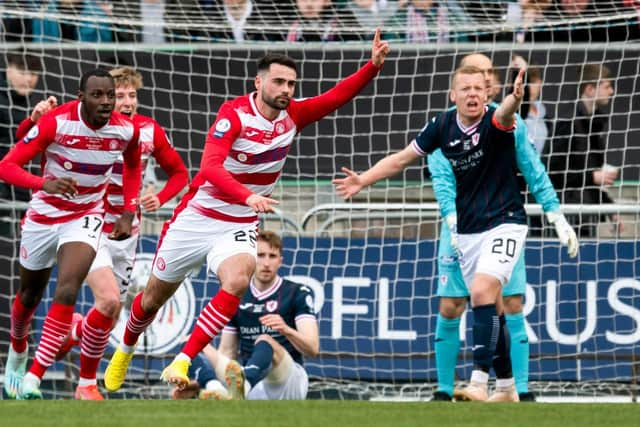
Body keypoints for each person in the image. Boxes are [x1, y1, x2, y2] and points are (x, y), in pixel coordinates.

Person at [103, 28, 390, 393]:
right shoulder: (234, 114)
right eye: (279, 82)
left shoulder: (294, 116)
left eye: (292, 83)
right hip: (199, 216)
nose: (287, 89)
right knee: (152, 299)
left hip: (238, 222)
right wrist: (246, 194)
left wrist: (372, 66)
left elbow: (336, 97)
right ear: (259, 81)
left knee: (239, 278)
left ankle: (184, 357)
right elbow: (208, 168)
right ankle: (124, 350)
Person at [334, 63, 537, 402]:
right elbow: (401, 160)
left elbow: (505, 114)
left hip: (507, 221)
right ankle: (506, 387)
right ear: (452, 95)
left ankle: (477, 382)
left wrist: (515, 100)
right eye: (466, 88)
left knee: (482, 290)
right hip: (470, 229)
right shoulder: (441, 126)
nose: (473, 93)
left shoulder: (496, 120)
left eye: (479, 88)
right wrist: (363, 180)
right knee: (491, 306)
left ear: (487, 93)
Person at [424, 53, 578, 402]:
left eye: (487, 73)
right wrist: (451, 216)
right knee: (451, 305)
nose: (483, 79)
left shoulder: (506, 121)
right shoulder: (444, 125)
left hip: (500, 223)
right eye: (474, 74)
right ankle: (444, 391)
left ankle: (517, 388)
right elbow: (441, 174)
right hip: (459, 226)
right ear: (458, 85)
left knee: (509, 301)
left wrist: (555, 213)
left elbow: (532, 168)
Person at [45, 67, 189, 400]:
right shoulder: (88, 126)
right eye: (118, 95)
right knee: (108, 299)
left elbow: (180, 173)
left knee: (109, 314)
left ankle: (77, 330)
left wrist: (161, 197)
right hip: (89, 225)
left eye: (130, 95)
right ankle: (86, 385)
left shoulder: (148, 131)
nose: (125, 102)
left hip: (128, 233)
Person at [0, 68, 141, 400]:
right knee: (29, 296)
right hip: (44, 215)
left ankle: (35, 376)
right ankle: (18, 348)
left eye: (110, 95)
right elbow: (6, 165)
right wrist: (43, 184)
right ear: (81, 97)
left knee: (68, 288)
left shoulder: (125, 131)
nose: (106, 102)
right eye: (98, 95)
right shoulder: (57, 122)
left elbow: (133, 165)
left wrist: (128, 210)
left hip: (86, 215)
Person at [172, 230, 319, 400]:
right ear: (250, 258)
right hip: (250, 382)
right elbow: (227, 352)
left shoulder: (297, 293)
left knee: (265, 340)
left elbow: (312, 348)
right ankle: (213, 387)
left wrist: (286, 330)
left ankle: (243, 386)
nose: (266, 263)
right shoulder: (237, 295)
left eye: (272, 256)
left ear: (280, 261)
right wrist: (199, 384)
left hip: (289, 379)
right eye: (260, 255)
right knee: (190, 341)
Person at [545, 63, 621, 238]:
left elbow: (590, 175)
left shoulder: (596, 122)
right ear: (589, 89)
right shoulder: (567, 122)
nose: (611, 91)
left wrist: (610, 207)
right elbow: (552, 173)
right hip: (566, 213)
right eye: (607, 86)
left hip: (586, 212)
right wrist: (593, 177)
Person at [0, 51, 43, 236]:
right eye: (23, 72)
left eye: (33, 74)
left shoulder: (34, 104)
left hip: (20, 182)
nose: (28, 79)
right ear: (8, 70)